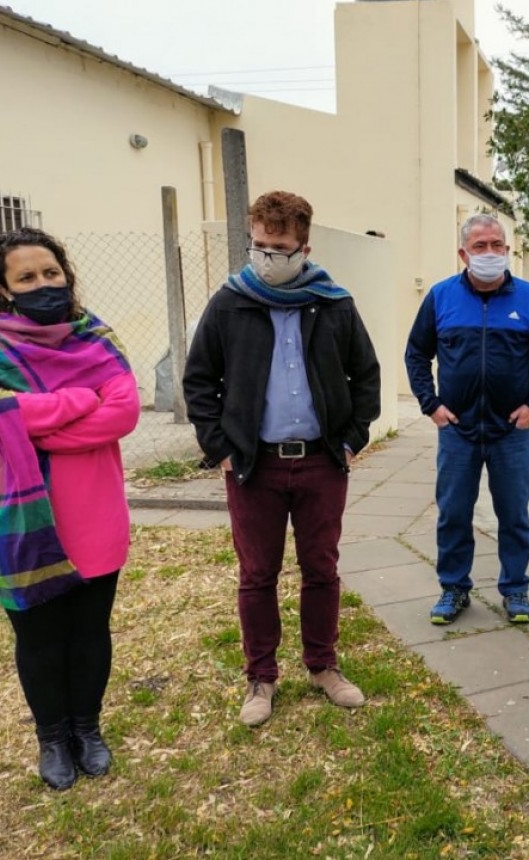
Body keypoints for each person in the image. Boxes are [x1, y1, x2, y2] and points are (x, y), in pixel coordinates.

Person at [183, 190, 381, 727]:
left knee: (321, 568)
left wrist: (351, 437)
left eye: (280, 247)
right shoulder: (230, 301)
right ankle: (261, 677)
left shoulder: (334, 302)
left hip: (320, 461)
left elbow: (365, 375)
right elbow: (199, 379)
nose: (267, 257)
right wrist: (219, 446)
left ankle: (323, 666)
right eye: (260, 246)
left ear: (303, 248)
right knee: (257, 574)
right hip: (254, 466)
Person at [0, 227, 140, 790]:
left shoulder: (97, 339)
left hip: (93, 513)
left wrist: (35, 420)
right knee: (40, 638)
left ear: (66, 275)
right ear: (3, 289)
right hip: (17, 523)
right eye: (26, 277)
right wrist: (78, 402)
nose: (43, 284)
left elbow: (122, 414)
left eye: (51, 273)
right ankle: (52, 738)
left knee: (90, 630)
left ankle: (87, 730)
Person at [405, 213, 529, 625]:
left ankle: (515, 590)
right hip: (457, 431)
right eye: (481, 246)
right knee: (454, 513)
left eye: (497, 245)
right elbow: (417, 354)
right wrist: (431, 404)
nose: (490, 253)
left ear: (507, 250)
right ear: (464, 253)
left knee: (513, 514)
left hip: (509, 431)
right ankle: (454, 589)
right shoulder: (441, 297)